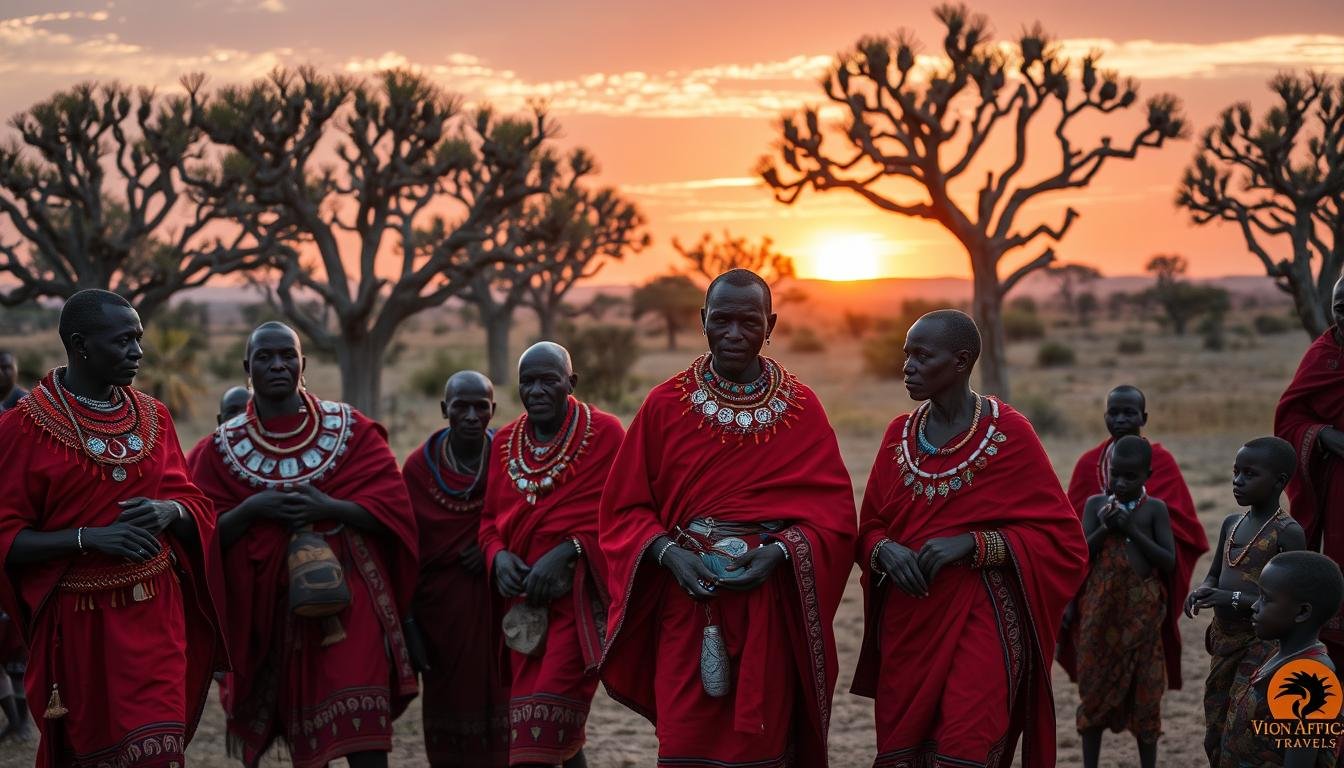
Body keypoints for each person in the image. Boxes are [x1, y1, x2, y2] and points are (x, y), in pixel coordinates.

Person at [600, 269, 857, 767]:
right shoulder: (663, 405)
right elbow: (623, 510)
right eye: (721, 320)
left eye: (749, 321)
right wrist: (670, 554)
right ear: (702, 321)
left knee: (759, 749)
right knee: (684, 745)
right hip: (688, 605)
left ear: (771, 324)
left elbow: (835, 519)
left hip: (768, 609)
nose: (734, 334)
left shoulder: (803, 409)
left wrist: (780, 553)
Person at [852, 309, 1088, 768]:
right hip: (908, 623)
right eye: (907, 355)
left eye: (923, 356)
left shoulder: (1009, 434)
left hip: (981, 616)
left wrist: (973, 545)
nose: (908, 366)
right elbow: (868, 530)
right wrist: (884, 551)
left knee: (966, 742)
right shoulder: (896, 436)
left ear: (961, 361)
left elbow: (1063, 541)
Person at [0, 289, 225, 766]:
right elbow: (6, 538)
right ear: (80, 344)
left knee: (156, 754)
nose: (138, 352)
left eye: (139, 339)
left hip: (156, 615)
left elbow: (194, 502)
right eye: (124, 341)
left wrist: (172, 514)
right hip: (79, 627)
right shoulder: (22, 428)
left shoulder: (154, 416)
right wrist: (88, 538)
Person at [188, 321, 419, 768]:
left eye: (288, 355)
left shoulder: (352, 430)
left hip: (351, 600)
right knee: (303, 739)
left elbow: (393, 512)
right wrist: (253, 509)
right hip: (270, 611)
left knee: (365, 731)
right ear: (247, 368)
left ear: (303, 363)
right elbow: (200, 532)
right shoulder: (217, 451)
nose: (278, 365)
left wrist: (328, 506)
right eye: (265, 357)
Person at [478, 342, 624, 768]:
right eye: (528, 381)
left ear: (571, 383)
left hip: (577, 610)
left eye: (549, 380)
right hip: (522, 612)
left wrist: (570, 550)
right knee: (559, 734)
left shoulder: (606, 434)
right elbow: (488, 521)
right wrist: (498, 558)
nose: (537, 390)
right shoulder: (505, 442)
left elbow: (624, 516)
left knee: (535, 740)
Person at [1062, 384, 1208, 694]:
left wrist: (1133, 528)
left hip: (1145, 588)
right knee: (1097, 678)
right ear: (1104, 416)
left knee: (1143, 674)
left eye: (1129, 413)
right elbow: (1072, 537)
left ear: (1144, 417)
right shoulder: (1089, 464)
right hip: (1096, 591)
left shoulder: (1161, 463)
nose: (1120, 419)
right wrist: (1069, 598)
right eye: (1113, 412)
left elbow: (1182, 530)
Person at [403, 371, 507, 767]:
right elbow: (405, 552)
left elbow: (531, 523)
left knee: (508, 705)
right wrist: (409, 626)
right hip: (441, 618)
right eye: (460, 406)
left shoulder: (511, 458)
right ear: (445, 409)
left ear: (493, 409)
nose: (470, 414)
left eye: (480, 406)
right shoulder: (418, 469)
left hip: (502, 612)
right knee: (449, 709)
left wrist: (490, 547)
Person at [1186, 436, 1307, 766]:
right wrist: (1202, 590)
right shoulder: (1232, 523)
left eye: (1249, 474)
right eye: (1236, 472)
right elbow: (1215, 573)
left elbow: (1289, 599)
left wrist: (1230, 597)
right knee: (1214, 728)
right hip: (1224, 641)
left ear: (1280, 482)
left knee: (1244, 730)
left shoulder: (1287, 532)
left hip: (1261, 645)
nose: (1238, 481)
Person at [1074, 436, 1176, 768]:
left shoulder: (1154, 510)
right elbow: (1081, 554)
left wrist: (1132, 527)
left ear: (1147, 474)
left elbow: (1168, 561)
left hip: (1142, 622)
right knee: (1093, 694)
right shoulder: (1094, 505)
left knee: (1146, 698)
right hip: (1099, 617)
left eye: (1130, 477)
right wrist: (1106, 528)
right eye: (1114, 474)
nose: (1119, 483)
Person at [1275, 276, 1344, 665]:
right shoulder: (1323, 354)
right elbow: (1289, 417)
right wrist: (1323, 436)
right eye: (1340, 307)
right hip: (1339, 485)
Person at [1220, 551, 1343, 767]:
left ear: (1302, 612)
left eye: (1266, 599)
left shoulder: (1309, 679)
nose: (1255, 606)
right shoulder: (1280, 652)